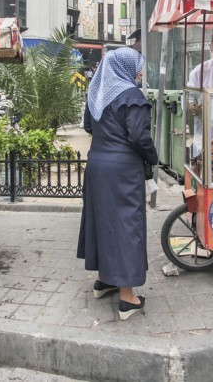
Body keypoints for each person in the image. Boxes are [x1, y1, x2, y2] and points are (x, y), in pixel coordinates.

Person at [77, 47, 158, 321]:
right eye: (136, 66)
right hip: (123, 170)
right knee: (126, 226)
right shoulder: (131, 95)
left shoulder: (96, 94)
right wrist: (152, 157)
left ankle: (104, 280)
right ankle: (127, 297)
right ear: (124, 68)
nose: (139, 72)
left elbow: (88, 127)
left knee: (103, 222)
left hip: (97, 166)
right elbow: (139, 137)